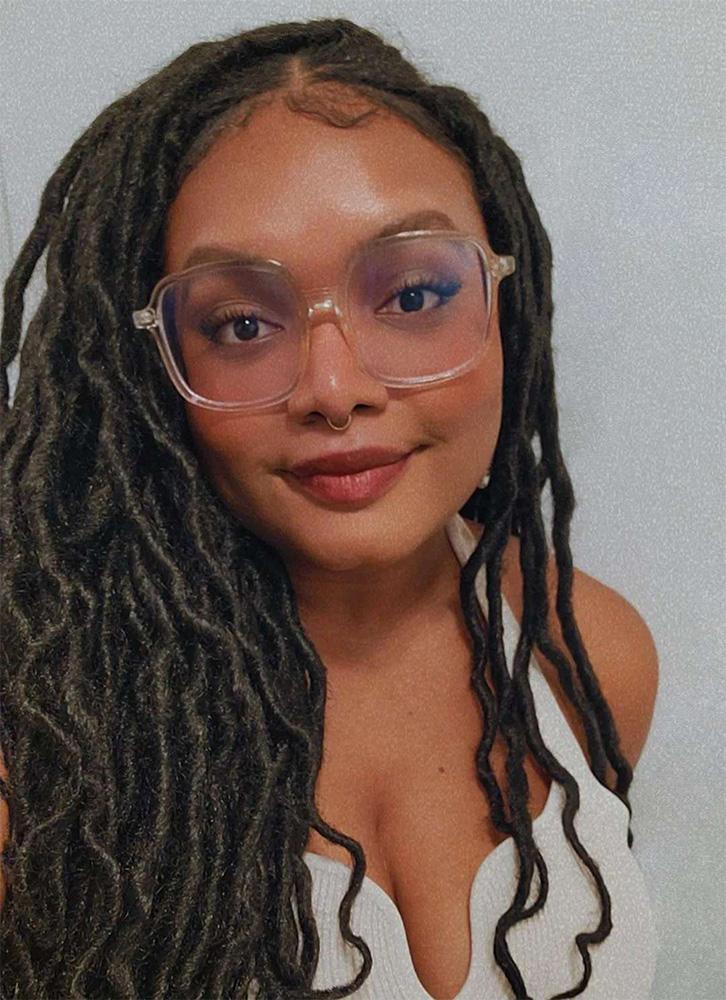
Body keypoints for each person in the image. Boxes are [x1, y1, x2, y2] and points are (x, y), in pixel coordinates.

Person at [0, 16, 660, 1000]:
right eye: (242, 321)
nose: (333, 387)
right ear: (149, 372)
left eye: (412, 294)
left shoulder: (589, 655)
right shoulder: (40, 742)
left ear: (505, 301)